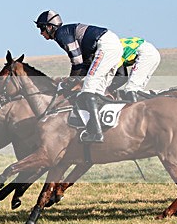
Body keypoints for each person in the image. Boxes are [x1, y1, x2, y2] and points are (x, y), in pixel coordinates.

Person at [35, 10, 123, 142]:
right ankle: (105, 127)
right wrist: (72, 80)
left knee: (87, 90)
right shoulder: (66, 32)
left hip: (105, 46)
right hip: (112, 45)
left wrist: (69, 82)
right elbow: (84, 64)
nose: (41, 33)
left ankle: (96, 132)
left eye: (42, 28)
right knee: (98, 91)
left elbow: (77, 62)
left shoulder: (61, 34)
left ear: (50, 26)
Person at [113, 37, 161, 102]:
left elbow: (121, 76)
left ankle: (133, 110)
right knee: (138, 89)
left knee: (130, 89)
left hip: (145, 53)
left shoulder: (112, 52)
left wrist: (108, 89)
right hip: (153, 52)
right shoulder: (116, 44)